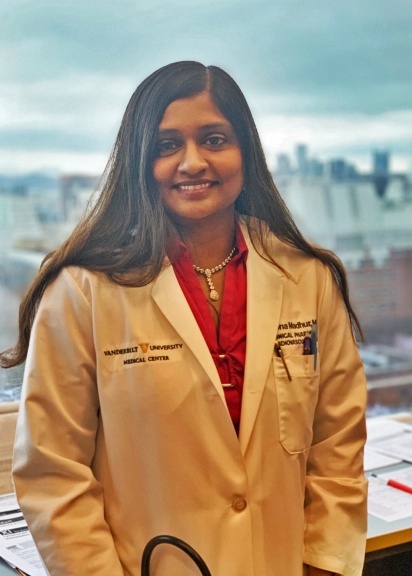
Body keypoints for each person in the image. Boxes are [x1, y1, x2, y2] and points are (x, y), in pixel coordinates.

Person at [1, 61, 367, 576]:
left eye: (214, 139)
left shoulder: (305, 276)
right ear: (139, 162)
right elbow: (53, 473)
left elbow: (338, 444)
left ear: (246, 153)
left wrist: (323, 563)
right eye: (167, 145)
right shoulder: (83, 290)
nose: (193, 162)